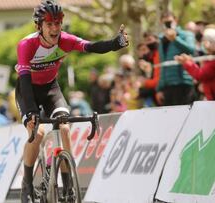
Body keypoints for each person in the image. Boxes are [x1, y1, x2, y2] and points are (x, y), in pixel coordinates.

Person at [15, 1, 128, 202]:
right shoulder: (27, 45)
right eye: (49, 24)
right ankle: (27, 183)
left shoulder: (65, 40)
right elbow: (24, 79)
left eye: (57, 23)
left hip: (51, 89)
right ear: (38, 26)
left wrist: (114, 43)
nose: (54, 28)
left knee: (65, 128)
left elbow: (91, 46)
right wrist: (31, 111)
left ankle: (68, 186)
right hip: (27, 91)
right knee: (38, 133)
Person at [155, 12, 196, 106]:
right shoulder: (161, 40)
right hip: (167, 87)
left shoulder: (186, 35)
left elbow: (192, 50)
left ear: (176, 20)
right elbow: (163, 65)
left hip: (183, 83)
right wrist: (159, 89)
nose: (167, 24)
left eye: (169, 21)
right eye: (165, 22)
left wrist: (175, 39)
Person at [175, 26, 215, 100]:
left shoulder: (212, 62)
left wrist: (187, 63)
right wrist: (190, 62)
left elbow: (200, 75)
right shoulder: (209, 60)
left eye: (206, 40)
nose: (203, 43)